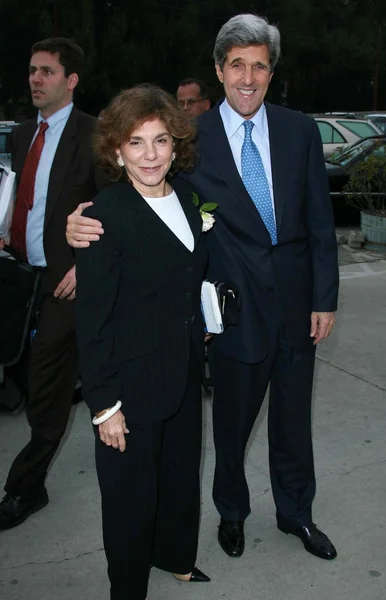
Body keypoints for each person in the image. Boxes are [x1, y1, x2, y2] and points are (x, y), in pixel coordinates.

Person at [66, 14, 340, 562]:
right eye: (236, 64)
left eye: (259, 65)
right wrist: (83, 221)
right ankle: (231, 513)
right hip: (233, 314)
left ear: (271, 73)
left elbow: (319, 222)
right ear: (219, 70)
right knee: (232, 427)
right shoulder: (191, 138)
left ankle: (296, 513)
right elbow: (142, 190)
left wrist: (324, 298)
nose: (247, 76)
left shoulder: (300, 131)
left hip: (296, 306)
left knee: (293, 420)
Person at [74, 85, 210, 600]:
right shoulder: (102, 216)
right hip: (129, 385)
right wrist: (104, 404)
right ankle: (127, 588)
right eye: (136, 143)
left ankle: (176, 557)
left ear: (176, 145)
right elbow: (92, 320)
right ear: (116, 151)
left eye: (159, 141)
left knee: (179, 480)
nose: (150, 155)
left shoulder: (193, 200)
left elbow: (188, 274)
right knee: (130, 500)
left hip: (183, 371)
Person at [0, 37, 99, 530]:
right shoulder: (21, 134)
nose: (36, 79)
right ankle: (68, 384)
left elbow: (118, 209)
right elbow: (25, 196)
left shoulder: (94, 134)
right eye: (33, 70)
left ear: (71, 80)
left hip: (68, 283)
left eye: (48, 71)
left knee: (45, 389)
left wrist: (89, 265)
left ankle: (24, 488)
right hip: (19, 276)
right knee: (18, 371)